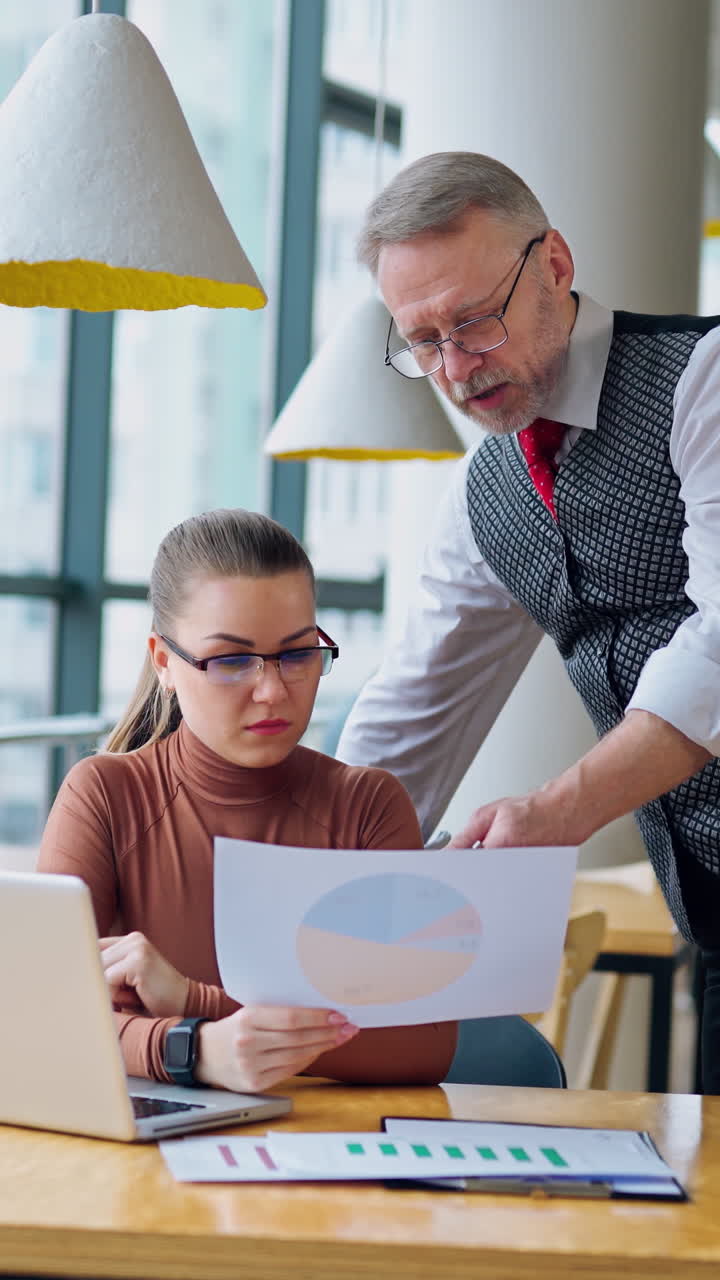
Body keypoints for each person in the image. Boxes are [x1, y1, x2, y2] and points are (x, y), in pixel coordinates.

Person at [335, 149, 720, 1091]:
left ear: (554, 264)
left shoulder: (702, 379)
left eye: (473, 321)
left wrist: (556, 813)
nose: (455, 369)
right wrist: (310, 863)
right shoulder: (486, 497)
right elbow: (415, 704)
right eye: (421, 342)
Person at [38, 508, 456, 1093]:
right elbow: (41, 1019)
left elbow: (422, 1043)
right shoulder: (105, 795)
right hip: (143, 1162)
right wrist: (193, 1050)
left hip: (325, 1157)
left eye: (297, 654)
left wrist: (193, 1002)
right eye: (231, 661)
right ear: (165, 662)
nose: (271, 690)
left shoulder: (368, 806)